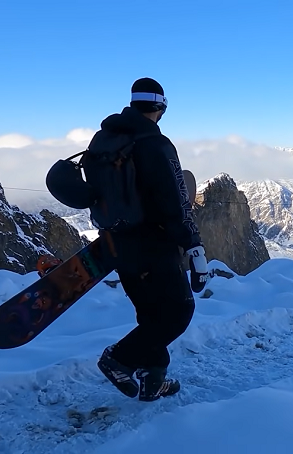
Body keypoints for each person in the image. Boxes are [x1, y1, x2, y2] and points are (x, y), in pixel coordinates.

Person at [84, 77, 210, 402]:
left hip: (116, 244)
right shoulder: (156, 144)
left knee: (151, 315)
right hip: (154, 245)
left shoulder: (104, 140)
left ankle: (154, 379)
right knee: (178, 312)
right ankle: (119, 359)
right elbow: (176, 201)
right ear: (160, 107)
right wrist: (194, 246)